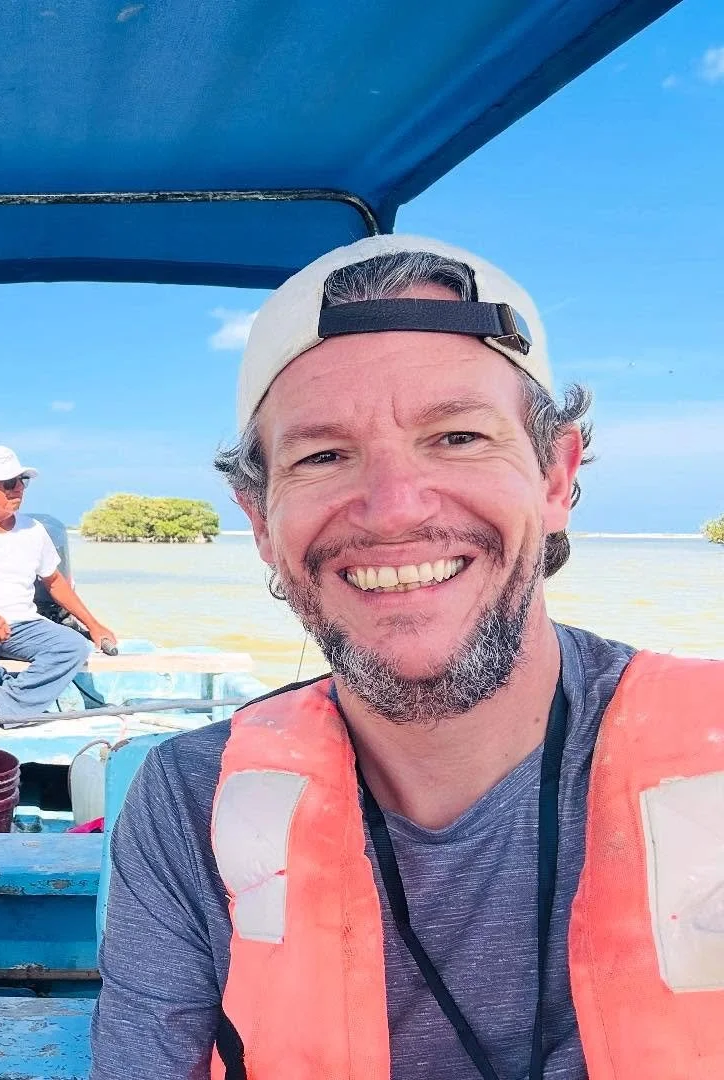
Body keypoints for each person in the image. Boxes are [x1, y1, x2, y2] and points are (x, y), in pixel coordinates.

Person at [91, 235, 724, 1079]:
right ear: (259, 520)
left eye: (458, 437)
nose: (392, 510)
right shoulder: (190, 802)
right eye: (323, 455)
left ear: (556, 476)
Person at [0, 446, 117, 717]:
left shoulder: (34, 530)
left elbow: (55, 582)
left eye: (22, 482)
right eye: (9, 483)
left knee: (73, 646)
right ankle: (9, 698)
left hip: (22, 625)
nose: (18, 489)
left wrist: (94, 625)